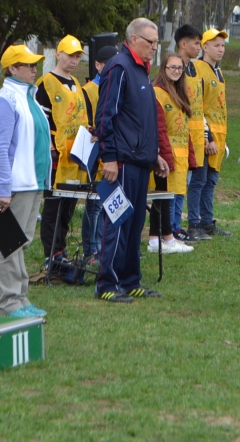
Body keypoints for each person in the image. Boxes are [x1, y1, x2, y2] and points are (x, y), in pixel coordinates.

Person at [94, 18, 170, 302]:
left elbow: (143, 120)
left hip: (141, 162)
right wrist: (109, 157)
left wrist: (155, 155)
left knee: (136, 222)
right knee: (117, 221)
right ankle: (107, 284)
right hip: (122, 163)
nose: (154, 47)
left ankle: (130, 279)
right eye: (150, 42)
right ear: (134, 39)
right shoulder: (119, 67)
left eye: (157, 42)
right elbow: (105, 116)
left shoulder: (141, 71)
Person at [0, 44, 52, 318]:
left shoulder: (30, 97)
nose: (33, 69)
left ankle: (21, 298)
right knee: (8, 243)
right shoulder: (6, 100)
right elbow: (0, 148)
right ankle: (8, 302)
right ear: (12, 68)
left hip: (33, 182)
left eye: (34, 64)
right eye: (27, 65)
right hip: (17, 185)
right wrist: (4, 189)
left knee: (21, 242)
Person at [37, 35, 88, 264]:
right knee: (54, 204)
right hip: (56, 152)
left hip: (75, 153)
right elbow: (41, 118)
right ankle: (52, 253)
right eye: (70, 55)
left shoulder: (76, 84)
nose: (74, 61)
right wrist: (47, 145)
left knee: (69, 204)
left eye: (78, 56)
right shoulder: (46, 82)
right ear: (58, 54)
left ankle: (62, 249)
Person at [148, 54, 196, 254]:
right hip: (166, 154)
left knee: (169, 196)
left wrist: (191, 156)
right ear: (164, 69)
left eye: (180, 68)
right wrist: (164, 157)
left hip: (180, 153)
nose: (176, 71)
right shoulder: (158, 93)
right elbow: (159, 128)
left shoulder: (179, 92)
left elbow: (185, 128)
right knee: (163, 196)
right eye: (172, 67)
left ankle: (160, 238)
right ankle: (164, 238)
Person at [189, 29, 231, 237]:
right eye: (216, 45)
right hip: (205, 136)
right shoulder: (198, 69)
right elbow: (197, 106)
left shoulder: (218, 72)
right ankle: (193, 223)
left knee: (211, 180)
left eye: (223, 45)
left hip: (219, 137)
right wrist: (208, 137)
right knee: (199, 180)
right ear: (204, 47)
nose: (221, 49)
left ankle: (207, 221)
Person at [172, 24, 212, 244]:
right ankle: (174, 227)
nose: (199, 47)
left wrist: (206, 134)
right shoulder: (174, 69)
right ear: (183, 44)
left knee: (190, 181)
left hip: (195, 136)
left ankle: (181, 225)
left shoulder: (194, 69)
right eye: (196, 43)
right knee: (178, 184)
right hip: (179, 135)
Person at [78, 45, 118, 260]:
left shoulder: (116, 85)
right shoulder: (88, 90)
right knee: (94, 204)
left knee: (108, 203)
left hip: (112, 149)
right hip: (96, 151)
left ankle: (106, 247)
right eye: (108, 64)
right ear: (98, 65)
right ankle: (91, 249)